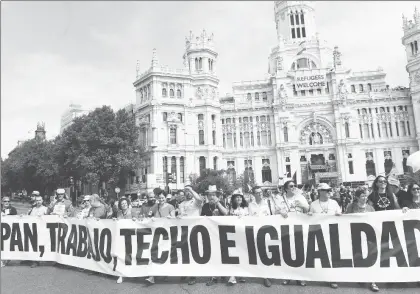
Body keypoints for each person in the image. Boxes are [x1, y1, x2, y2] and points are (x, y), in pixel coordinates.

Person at [248, 185, 285, 288]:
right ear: (253, 194)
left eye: (260, 192)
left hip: (270, 232)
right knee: (262, 254)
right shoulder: (250, 205)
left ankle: (274, 272)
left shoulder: (268, 203)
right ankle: (266, 276)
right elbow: (248, 219)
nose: (259, 194)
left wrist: (281, 212)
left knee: (272, 253)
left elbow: (276, 211)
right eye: (257, 192)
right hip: (257, 233)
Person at [345, 187, 378, 292]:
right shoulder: (351, 207)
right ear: (357, 197)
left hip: (369, 237)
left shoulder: (370, 208)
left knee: (371, 258)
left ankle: (373, 281)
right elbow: (345, 219)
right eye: (363, 195)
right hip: (356, 236)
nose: (365, 197)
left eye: (366, 195)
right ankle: (362, 276)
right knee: (358, 256)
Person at [308, 183, 341, 289]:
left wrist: (339, 216)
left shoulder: (334, 203)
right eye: (326, 190)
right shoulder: (313, 204)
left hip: (332, 232)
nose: (329, 192)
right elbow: (309, 220)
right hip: (319, 234)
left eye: (329, 190)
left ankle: (332, 278)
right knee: (321, 257)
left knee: (333, 255)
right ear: (320, 192)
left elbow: (341, 216)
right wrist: (308, 216)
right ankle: (322, 275)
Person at [280, 180, 309, 287]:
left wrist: (302, 204)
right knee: (287, 253)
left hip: (298, 228)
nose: (294, 187)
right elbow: (275, 211)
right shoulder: (281, 199)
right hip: (286, 229)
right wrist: (280, 212)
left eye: (294, 186)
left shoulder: (300, 197)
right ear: (286, 188)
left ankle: (300, 277)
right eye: (291, 186)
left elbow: (307, 209)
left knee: (299, 253)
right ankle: (288, 277)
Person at [145, 193, 175, 285]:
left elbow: (173, 217)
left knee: (165, 253)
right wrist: (152, 218)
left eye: (163, 197)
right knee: (154, 252)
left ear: (165, 198)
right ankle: (152, 276)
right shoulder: (155, 207)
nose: (161, 199)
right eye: (160, 198)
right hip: (156, 233)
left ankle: (165, 273)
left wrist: (170, 217)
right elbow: (149, 216)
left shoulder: (170, 207)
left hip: (166, 234)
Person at [201, 185, 228, 287]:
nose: (211, 197)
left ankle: (223, 274)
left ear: (217, 196)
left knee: (223, 255)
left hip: (222, 233)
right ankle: (213, 276)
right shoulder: (205, 206)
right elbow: (201, 218)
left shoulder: (222, 203)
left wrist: (218, 203)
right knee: (213, 255)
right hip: (210, 233)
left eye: (213, 195)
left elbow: (226, 213)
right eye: (209, 195)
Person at [178, 185, 205, 286]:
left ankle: (193, 275)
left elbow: (199, 199)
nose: (188, 193)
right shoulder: (181, 204)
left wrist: (191, 189)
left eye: (189, 191)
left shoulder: (196, 202)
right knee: (185, 252)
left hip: (195, 229)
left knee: (194, 252)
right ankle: (185, 271)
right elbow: (181, 215)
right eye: (186, 191)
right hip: (185, 230)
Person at [227, 190, 248, 285]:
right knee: (233, 254)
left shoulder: (247, 208)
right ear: (233, 199)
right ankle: (232, 275)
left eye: (240, 197)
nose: (239, 198)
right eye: (236, 197)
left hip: (244, 233)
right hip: (233, 233)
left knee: (243, 254)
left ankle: (242, 274)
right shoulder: (230, 208)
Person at [114, 197, 133, 284]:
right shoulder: (119, 213)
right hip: (121, 237)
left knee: (130, 255)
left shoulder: (132, 212)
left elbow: (140, 221)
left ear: (128, 204)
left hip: (131, 236)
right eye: (122, 204)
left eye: (125, 203)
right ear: (120, 206)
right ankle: (121, 275)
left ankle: (131, 273)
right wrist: (115, 220)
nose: (124, 205)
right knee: (121, 255)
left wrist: (135, 220)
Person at [1, 196, 17, 268]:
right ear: (2, 202)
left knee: (8, 245)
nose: (7, 202)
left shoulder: (13, 209)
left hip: (9, 230)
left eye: (8, 201)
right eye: (5, 201)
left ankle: (6, 259)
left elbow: (16, 218)